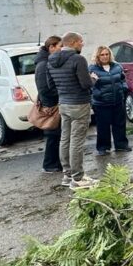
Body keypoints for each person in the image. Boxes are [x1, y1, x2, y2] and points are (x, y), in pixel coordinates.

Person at [48, 32, 97, 189]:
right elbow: (86, 84)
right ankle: (78, 178)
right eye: (81, 41)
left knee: (65, 139)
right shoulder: (78, 59)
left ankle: (67, 175)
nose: (82, 44)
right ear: (74, 42)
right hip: (79, 104)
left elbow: (50, 86)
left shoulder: (51, 59)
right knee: (76, 141)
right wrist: (94, 79)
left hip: (63, 103)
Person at [89, 45, 131, 155]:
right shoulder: (92, 69)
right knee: (103, 127)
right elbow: (90, 86)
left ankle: (121, 145)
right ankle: (103, 148)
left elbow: (123, 80)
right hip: (101, 103)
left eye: (107, 54)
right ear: (98, 56)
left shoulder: (117, 66)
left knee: (120, 124)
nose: (105, 56)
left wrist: (123, 88)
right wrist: (98, 95)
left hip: (118, 100)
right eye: (102, 54)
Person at [34, 35, 63, 173]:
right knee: (53, 136)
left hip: (53, 104)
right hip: (51, 106)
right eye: (60, 46)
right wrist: (49, 105)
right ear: (51, 47)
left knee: (56, 136)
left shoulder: (47, 62)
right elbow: (44, 88)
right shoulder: (43, 65)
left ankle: (55, 163)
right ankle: (50, 165)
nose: (62, 49)